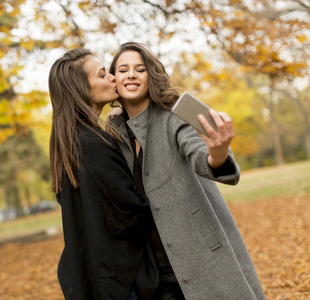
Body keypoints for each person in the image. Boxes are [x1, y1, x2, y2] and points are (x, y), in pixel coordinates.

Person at [107, 42, 267, 300]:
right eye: (123, 69)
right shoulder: (114, 133)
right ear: (114, 79)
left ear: (152, 75)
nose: (131, 75)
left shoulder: (175, 116)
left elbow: (203, 156)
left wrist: (217, 153)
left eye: (140, 69)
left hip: (202, 257)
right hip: (153, 275)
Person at [49, 48, 164, 299]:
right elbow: (129, 214)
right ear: (81, 89)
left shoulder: (71, 142)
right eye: (103, 75)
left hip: (97, 276)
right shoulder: (91, 144)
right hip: (121, 282)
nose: (113, 77)